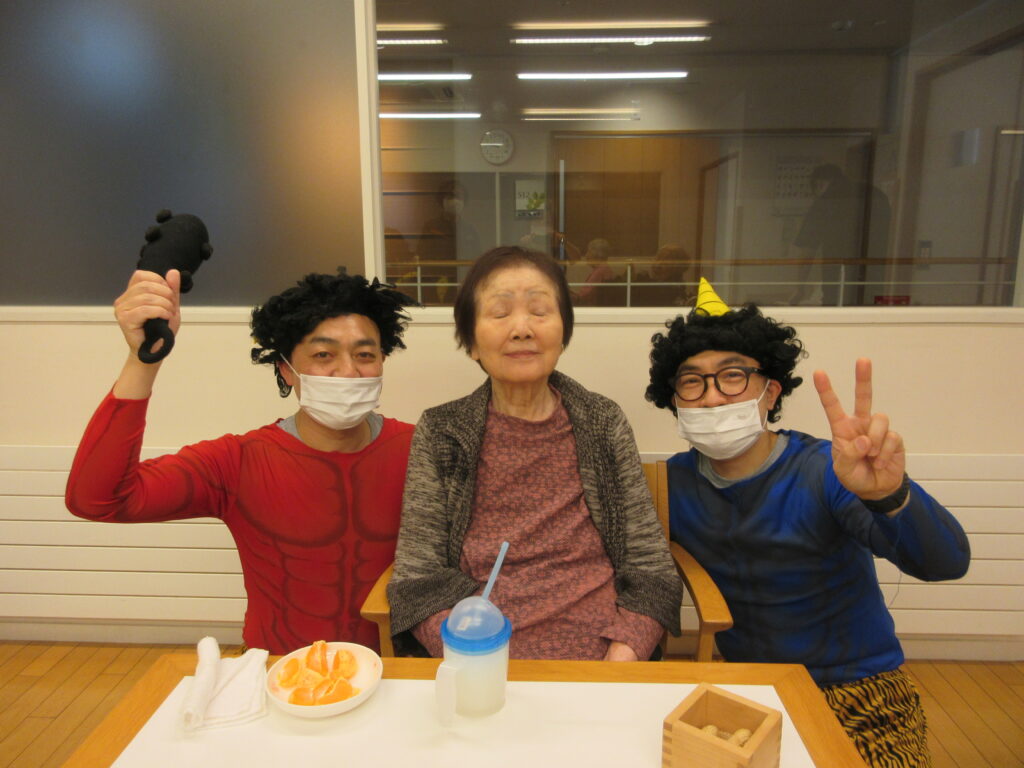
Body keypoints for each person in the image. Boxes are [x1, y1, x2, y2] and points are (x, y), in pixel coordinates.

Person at [645, 279, 969, 768]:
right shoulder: (672, 484)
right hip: (750, 689)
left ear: (770, 390)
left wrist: (889, 494)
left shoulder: (828, 470)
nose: (711, 398)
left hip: (860, 690)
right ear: (675, 400)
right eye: (692, 382)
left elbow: (946, 563)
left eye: (732, 376)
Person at [65, 267, 418, 655]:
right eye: (323, 354)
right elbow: (98, 500)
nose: (349, 371)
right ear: (286, 369)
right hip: (279, 669)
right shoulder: (237, 462)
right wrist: (142, 360)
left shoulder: (423, 448)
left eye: (365, 355)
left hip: (403, 668)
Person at [388, 246, 682, 661]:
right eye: (500, 313)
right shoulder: (442, 432)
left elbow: (649, 565)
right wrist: (467, 655)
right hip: (479, 653)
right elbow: (418, 578)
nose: (522, 329)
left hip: (602, 659)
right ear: (471, 343)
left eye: (540, 311)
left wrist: (624, 655)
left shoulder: (602, 421)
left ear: (563, 334)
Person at [793, 163, 891, 306]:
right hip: (874, 275)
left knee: (835, 309)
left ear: (820, 184)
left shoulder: (826, 202)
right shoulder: (876, 194)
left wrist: (799, 288)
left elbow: (807, 251)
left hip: (836, 275)